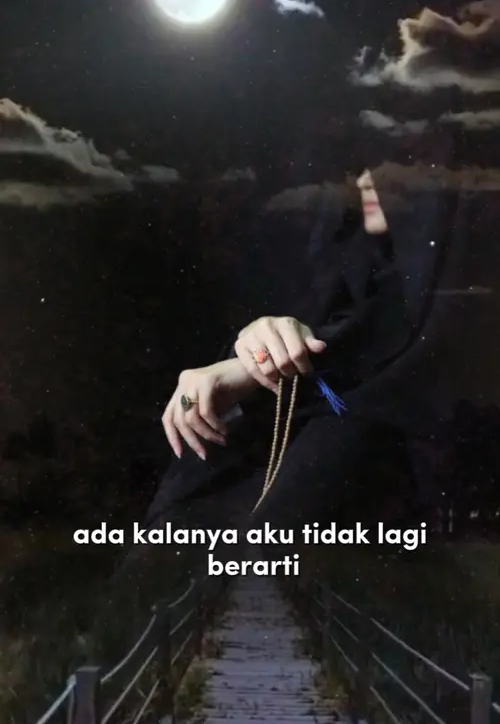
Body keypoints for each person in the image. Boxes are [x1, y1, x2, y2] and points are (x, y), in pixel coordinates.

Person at [146, 162, 467, 531]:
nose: (365, 181)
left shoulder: (445, 290)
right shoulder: (345, 264)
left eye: (401, 160)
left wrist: (252, 366)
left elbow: (378, 352)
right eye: (362, 165)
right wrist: (248, 354)